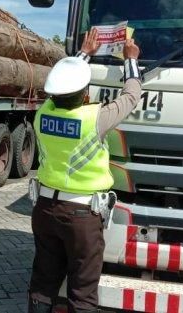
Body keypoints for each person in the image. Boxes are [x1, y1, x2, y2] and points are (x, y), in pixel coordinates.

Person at [28, 28, 142, 313]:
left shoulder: (43, 114)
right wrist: (131, 60)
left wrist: (82, 56)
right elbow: (130, 97)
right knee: (82, 291)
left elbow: (60, 89)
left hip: (44, 210)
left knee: (43, 283)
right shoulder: (95, 118)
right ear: (85, 93)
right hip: (81, 217)